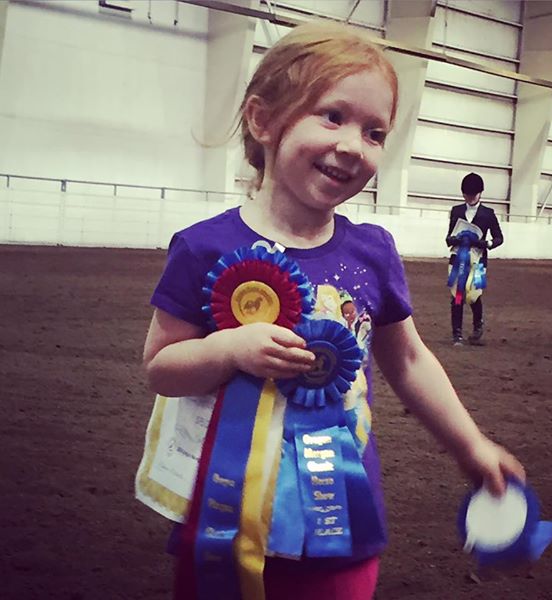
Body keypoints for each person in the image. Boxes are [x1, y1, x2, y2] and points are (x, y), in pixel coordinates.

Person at [141, 22, 524, 600]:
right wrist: (229, 349)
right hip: (225, 521)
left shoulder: (373, 252)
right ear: (262, 120)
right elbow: (161, 367)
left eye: (374, 132)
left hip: (341, 521)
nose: (353, 145)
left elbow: (409, 362)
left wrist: (470, 445)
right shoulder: (202, 248)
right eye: (332, 116)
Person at [446, 173, 504, 346]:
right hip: (457, 259)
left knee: (474, 295)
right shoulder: (456, 211)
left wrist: (486, 243)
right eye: (467, 195)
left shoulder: (488, 214)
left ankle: (478, 324)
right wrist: (454, 239)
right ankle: (457, 333)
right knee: (457, 294)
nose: (470, 199)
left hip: (478, 261)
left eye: (473, 195)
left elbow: (499, 238)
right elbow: (449, 236)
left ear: (480, 193)